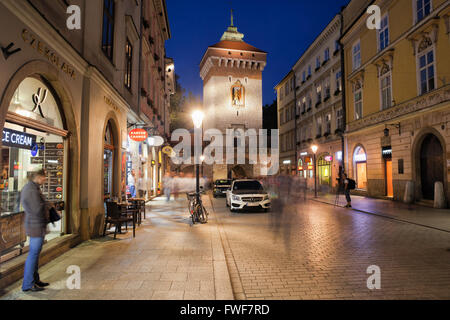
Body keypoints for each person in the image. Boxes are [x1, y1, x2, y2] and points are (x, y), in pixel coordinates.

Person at [21, 169, 51, 292]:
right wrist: (47, 205)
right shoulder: (31, 189)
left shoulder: (33, 187)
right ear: (38, 177)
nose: (45, 179)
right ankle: (28, 284)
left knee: (35, 255)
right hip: (35, 226)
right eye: (44, 177)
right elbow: (36, 209)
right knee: (33, 255)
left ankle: (35, 279)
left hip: (37, 226)